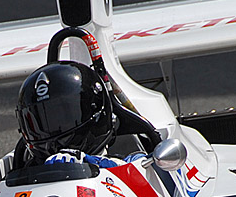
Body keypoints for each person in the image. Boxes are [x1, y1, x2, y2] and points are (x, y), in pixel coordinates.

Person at [14, 61, 145, 168]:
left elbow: (140, 164)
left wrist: (91, 162)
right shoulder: (22, 167)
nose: (51, 129)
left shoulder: (133, 164)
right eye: (39, 121)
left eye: (61, 116)